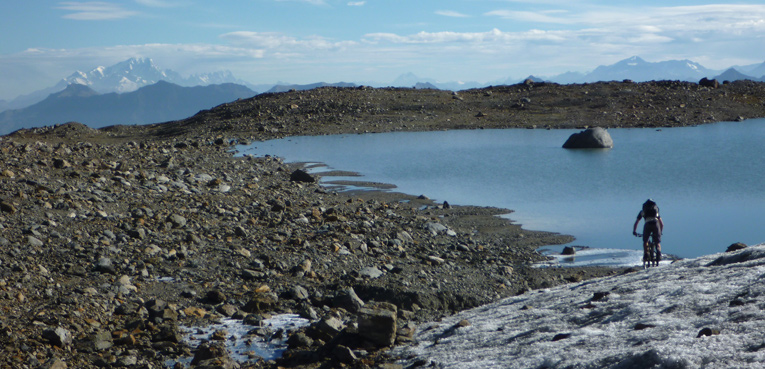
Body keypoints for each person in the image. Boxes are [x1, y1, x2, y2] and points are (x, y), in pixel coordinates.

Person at [633, 199, 664, 266]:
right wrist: (660, 232)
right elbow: (662, 224)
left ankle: (646, 254)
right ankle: (659, 253)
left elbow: (637, 222)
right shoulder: (656, 212)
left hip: (647, 225)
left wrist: (634, 231)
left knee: (645, 241)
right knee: (657, 242)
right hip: (656, 224)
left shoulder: (643, 211)